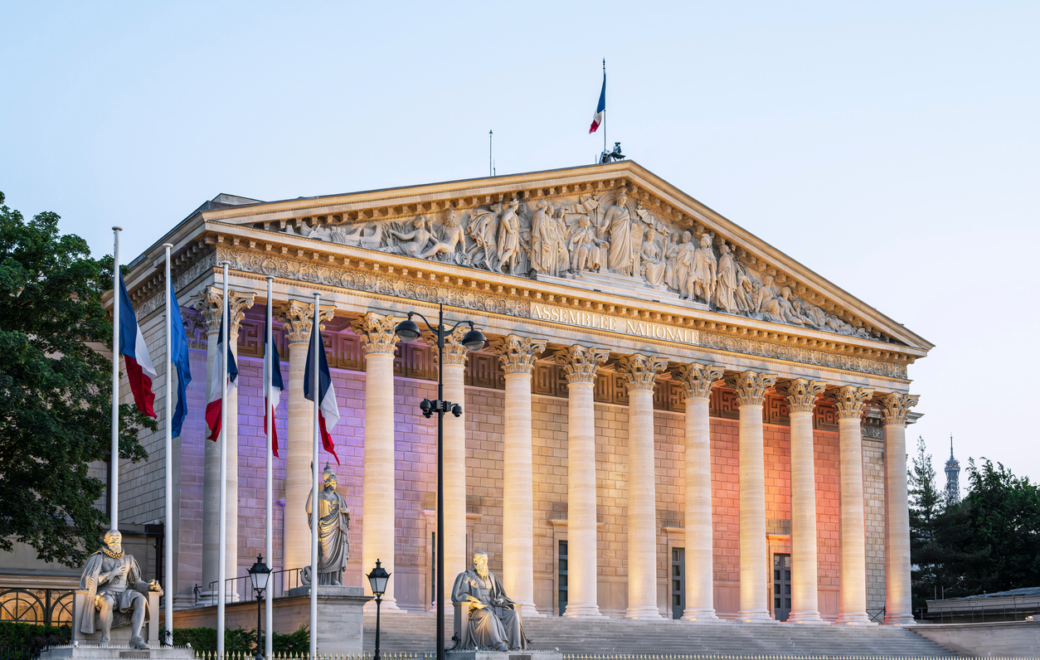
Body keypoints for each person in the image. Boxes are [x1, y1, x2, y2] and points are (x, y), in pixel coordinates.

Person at [78, 530, 162, 648]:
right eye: (112, 538)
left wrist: (150, 586)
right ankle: (105, 638)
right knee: (108, 602)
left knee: (141, 600)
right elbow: (89, 581)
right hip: (105, 593)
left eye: (118, 538)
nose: (115, 541)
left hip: (123, 594)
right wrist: (111, 573)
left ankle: (135, 638)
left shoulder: (128, 559)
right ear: (106, 540)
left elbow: (136, 582)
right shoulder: (98, 557)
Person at [451, 551, 529, 651]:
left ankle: (516, 647)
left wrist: (500, 599)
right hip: (478, 609)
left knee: (513, 614)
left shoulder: (492, 577)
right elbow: (459, 595)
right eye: (482, 560)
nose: (485, 562)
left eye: (486, 560)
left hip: (494, 606)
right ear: (475, 561)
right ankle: (497, 644)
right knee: (488, 615)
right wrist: (473, 602)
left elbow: (500, 594)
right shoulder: (466, 576)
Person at [304, 464, 350, 586]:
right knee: (325, 555)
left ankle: (335, 579)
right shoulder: (319, 496)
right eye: (333, 482)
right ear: (327, 482)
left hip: (337, 530)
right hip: (324, 529)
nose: (335, 484)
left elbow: (346, 512)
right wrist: (313, 490)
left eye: (336, 482)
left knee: (337, 554)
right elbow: (309, 510)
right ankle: (320, 579)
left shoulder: (339, 497)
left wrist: (346, 512)